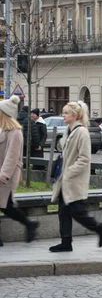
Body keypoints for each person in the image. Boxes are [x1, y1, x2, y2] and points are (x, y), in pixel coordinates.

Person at [48, 101, 102, 252]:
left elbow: (84, 158)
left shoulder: (81, 132)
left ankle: (100, 229)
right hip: (66, 179)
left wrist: (68, 172)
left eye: (66, 113)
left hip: (73, 180)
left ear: (75, 115)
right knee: (63, 212)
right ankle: (66, 242)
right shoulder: (69, 130)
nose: (63, 115)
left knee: (77, 211)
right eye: (63, 112)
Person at [0, 96, 39, 247]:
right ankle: (29, 224)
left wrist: (3, 175)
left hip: (6, 176)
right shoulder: (4, 130)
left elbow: (12, 156)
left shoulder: (15, 132)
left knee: (7, 205)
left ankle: (29, 224)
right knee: (7, 206)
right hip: (2, 174)